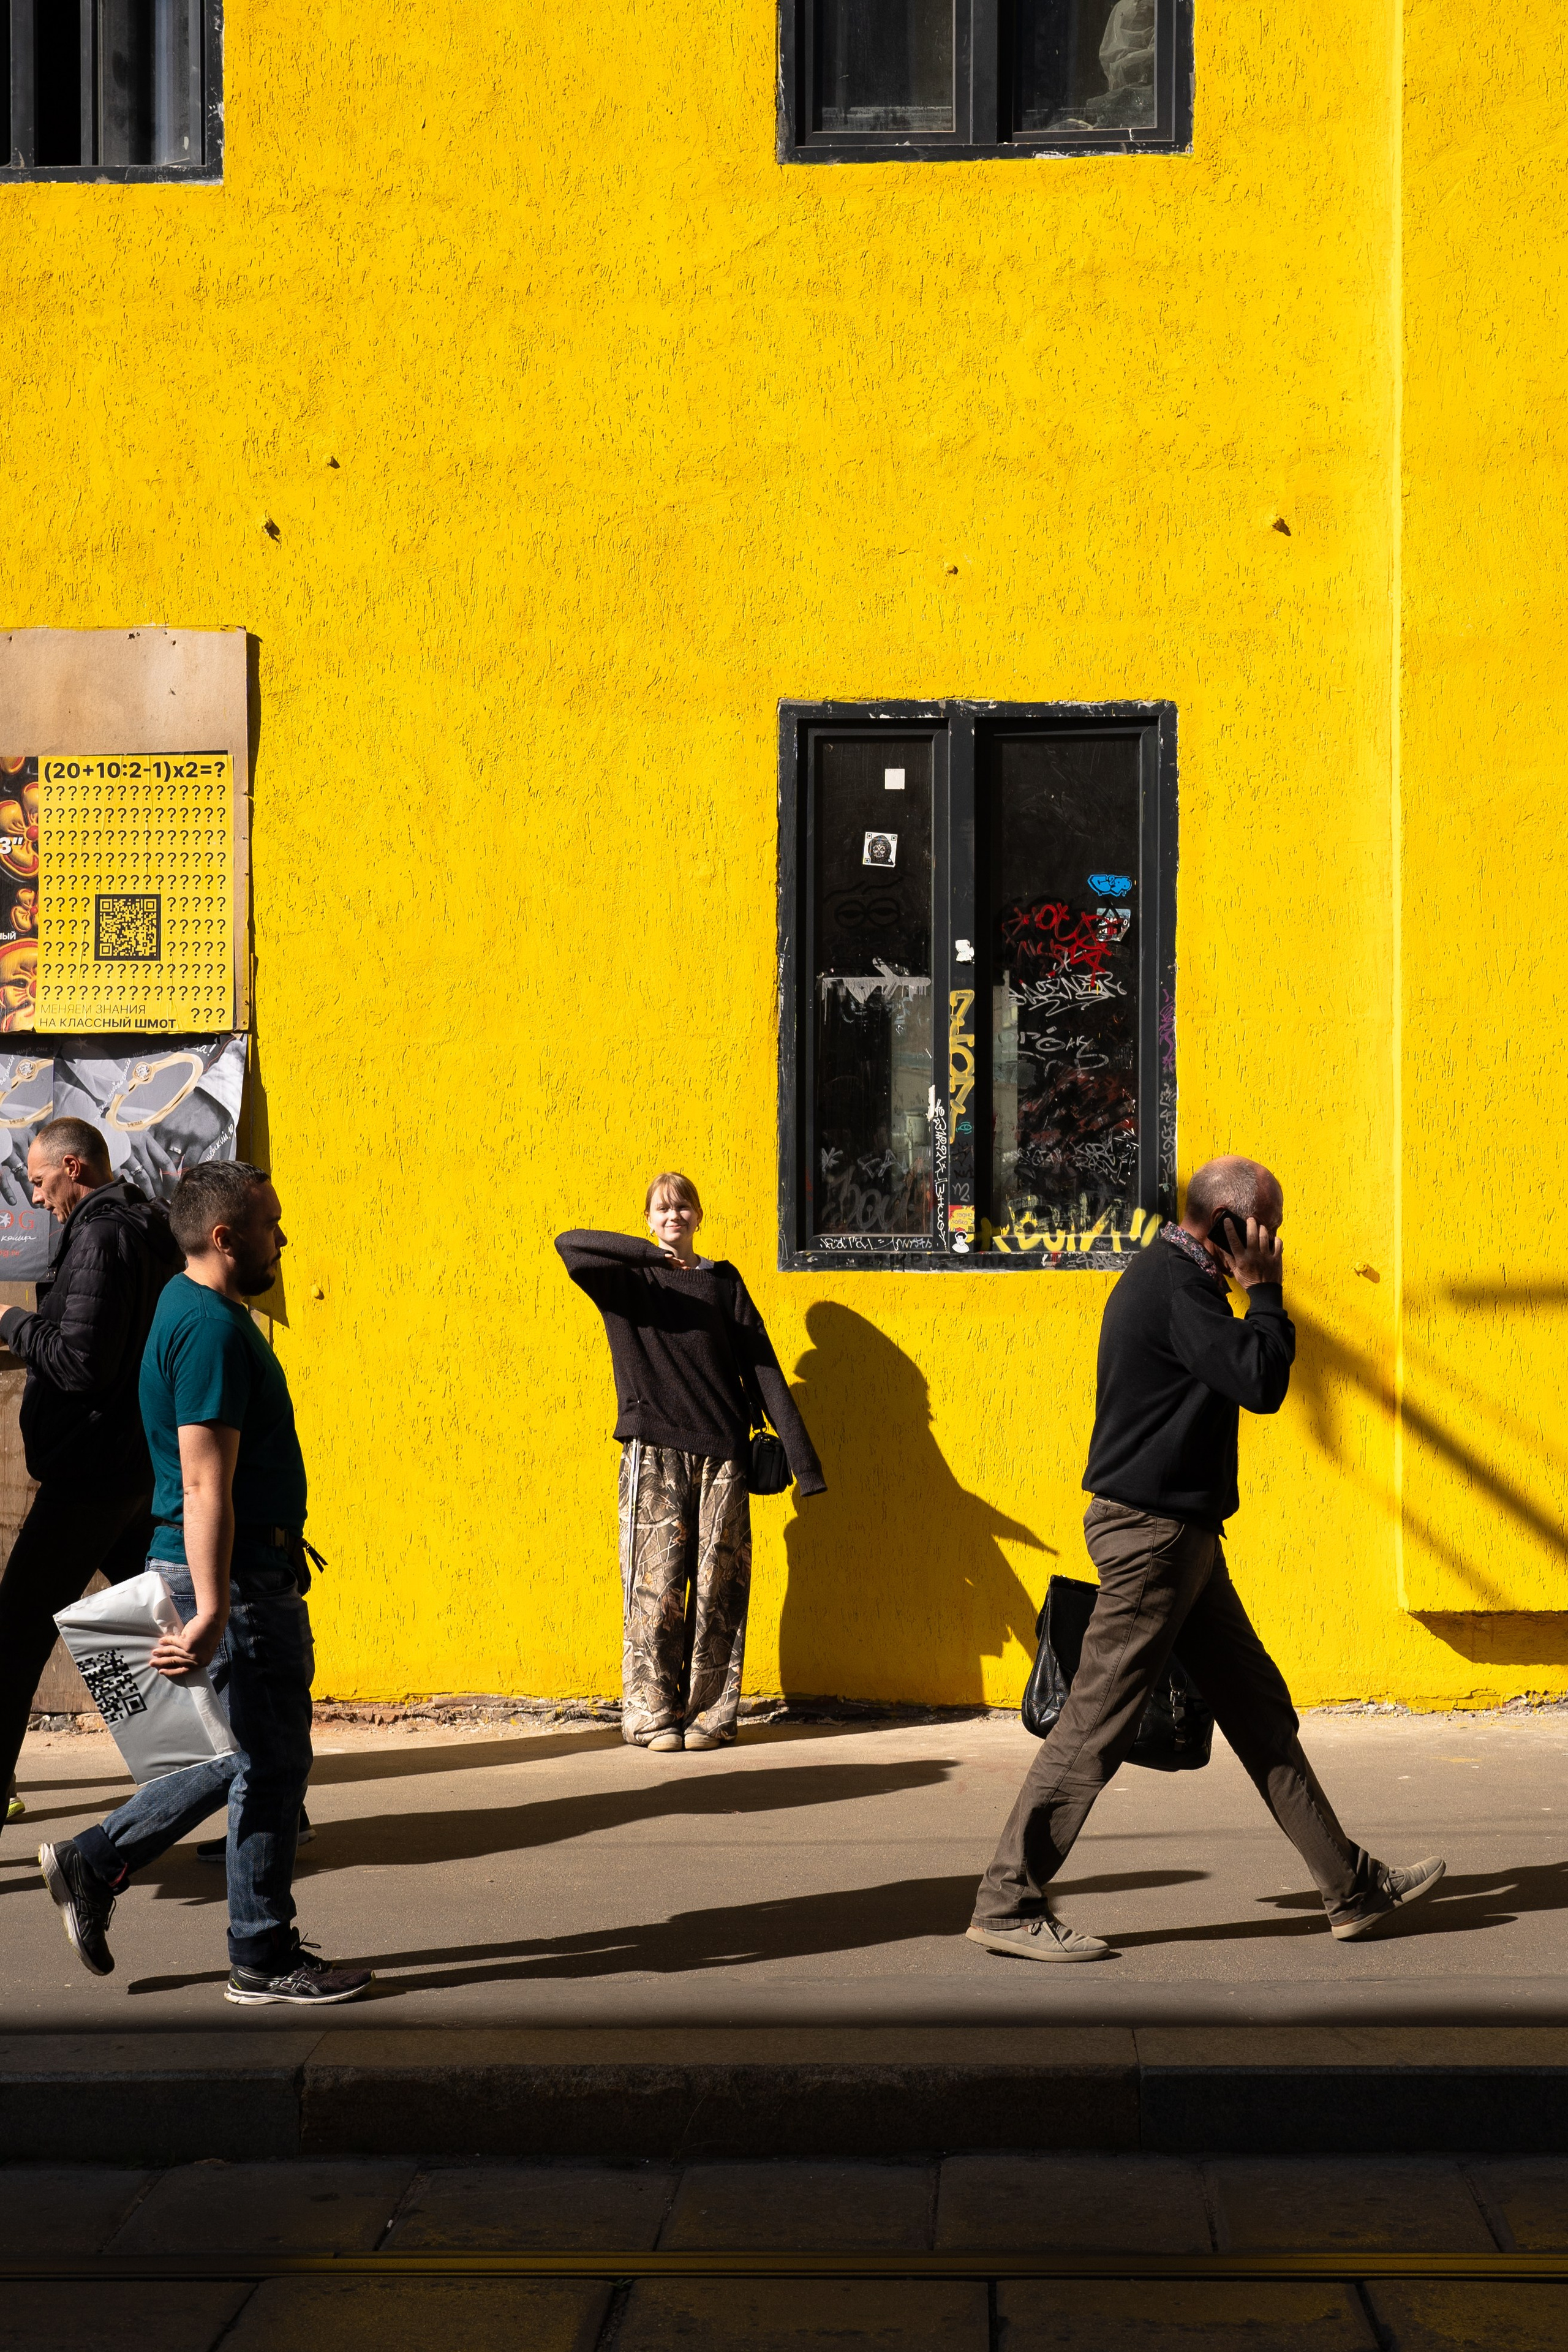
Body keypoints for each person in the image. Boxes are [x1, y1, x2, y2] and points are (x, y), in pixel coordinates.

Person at [969, 1155, 1445, 1961]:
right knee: (1095, 1725)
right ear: (1231, 1226)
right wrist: (1264, 1293)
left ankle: (1350, 1888)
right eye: (1266, 1231)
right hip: (1153, 1540)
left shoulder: (1169, 1282)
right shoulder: (1178, 1289)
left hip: (1181, 1538)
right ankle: (1007, 1903)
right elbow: (1259, 1380)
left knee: (1255, 1707)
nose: (1273, 1245)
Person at [37, 1161, 371, 2006]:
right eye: (271, 1224)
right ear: (225, 1238)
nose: (283, 1238)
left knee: (254, 1753)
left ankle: (101, 1861)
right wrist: (217, 1606)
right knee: (271, 1760)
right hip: (234, 1578)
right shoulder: (214, 1331)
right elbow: (202, 1481)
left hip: (237, 1569)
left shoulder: (196, 1312)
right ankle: (257, 1953)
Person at [557, 1174, 826, 1752]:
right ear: (649, 1220)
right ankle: (650, 1716)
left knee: (716, 1597)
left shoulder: (724, 1284)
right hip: (652, 1454)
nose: (673, 1215)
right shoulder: (625, 1281)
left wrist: (804, 1464)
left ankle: (709, 1716)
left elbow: (764, 1370)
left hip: (723, 1459)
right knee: (652, 1592)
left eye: (683, 1206)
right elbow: (569, 1243)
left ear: (700, 1215)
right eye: (662, 1208)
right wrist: (652, 1255)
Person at [0, 1117, 181, 1841]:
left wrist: (13, 1321)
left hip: (91, 1473)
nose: (39, 1199)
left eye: (42, 1183)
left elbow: (80, 1363)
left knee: (13, 1635)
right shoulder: (140, 1226)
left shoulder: (104, 1237)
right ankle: (255, 1793)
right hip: (125, 1466)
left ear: (72, 1166)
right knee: (155, 1635)